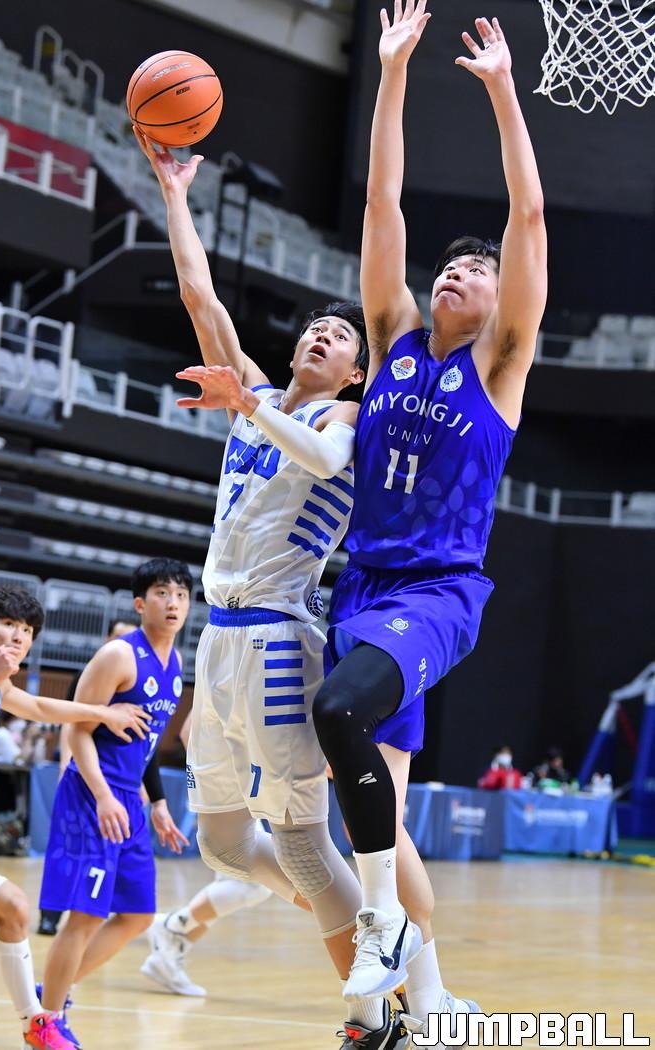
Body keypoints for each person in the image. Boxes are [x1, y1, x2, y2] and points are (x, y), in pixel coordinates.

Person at [134, 129, 408, 1048]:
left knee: (299, 841)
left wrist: (248, 402)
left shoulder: (349, 417)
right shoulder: (253, 395)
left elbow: (323, 459)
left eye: (340, 336)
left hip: (281, 641)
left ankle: (375, 1017)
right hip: (216, 640)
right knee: (222, 843)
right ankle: (362, 924)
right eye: (315, 327)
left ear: (356, 370)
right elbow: (200, 296)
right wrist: (175, 192)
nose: (321, 334)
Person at [311, 0, 547, 1037]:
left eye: (477, 269)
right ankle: (428, 1003)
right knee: (378, 812)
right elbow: (382, 199)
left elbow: (527, 219)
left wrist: (502, 92)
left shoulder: (500, 367)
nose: (459, 270)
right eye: (450, 264)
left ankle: (380, 933)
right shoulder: (393, 334)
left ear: (500, 303)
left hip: (438, 594)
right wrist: (394, 71)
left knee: (336, 713)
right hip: (361, 585)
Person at [0, 563, 150, 1050]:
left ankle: (36, 1024)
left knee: (13, 910)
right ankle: (38, 1023)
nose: (19, 637)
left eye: (27, 631)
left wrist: (102, 712)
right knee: (15, 908)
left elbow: (42, 708)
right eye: (9, 626)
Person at [37, 559, 191, 1047]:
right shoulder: (118, 656)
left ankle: (52, 995)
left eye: (181, 594)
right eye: (162, 593)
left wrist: (158, 803)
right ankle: (46, 1020)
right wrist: (103, 796)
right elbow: (77, 730)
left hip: (130, 801)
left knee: (138, 915)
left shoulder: (176, 663)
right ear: (140, 603)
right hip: (93, 795)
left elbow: (146, 740)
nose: (173, 603)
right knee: (85, 915)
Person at [141, 710, 272, 998]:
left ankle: (171, 951)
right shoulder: (226, 682)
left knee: (236, 883)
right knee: (255, 882)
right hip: (225, 790)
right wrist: (222, 781)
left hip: (240, 788)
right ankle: (171, 926)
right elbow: (189, 731)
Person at [37, 619, 151, 938]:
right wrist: (66, 762)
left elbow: (141, 736)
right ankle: (49, 915)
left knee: (103, 870)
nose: (124, 642)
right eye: (118, 636)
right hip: (83, 773)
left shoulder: (138, 675)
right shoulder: (92, 671)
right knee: (66, 852)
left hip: (118, 780)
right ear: (107, 638)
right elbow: (71, 721)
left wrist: (143, 783)